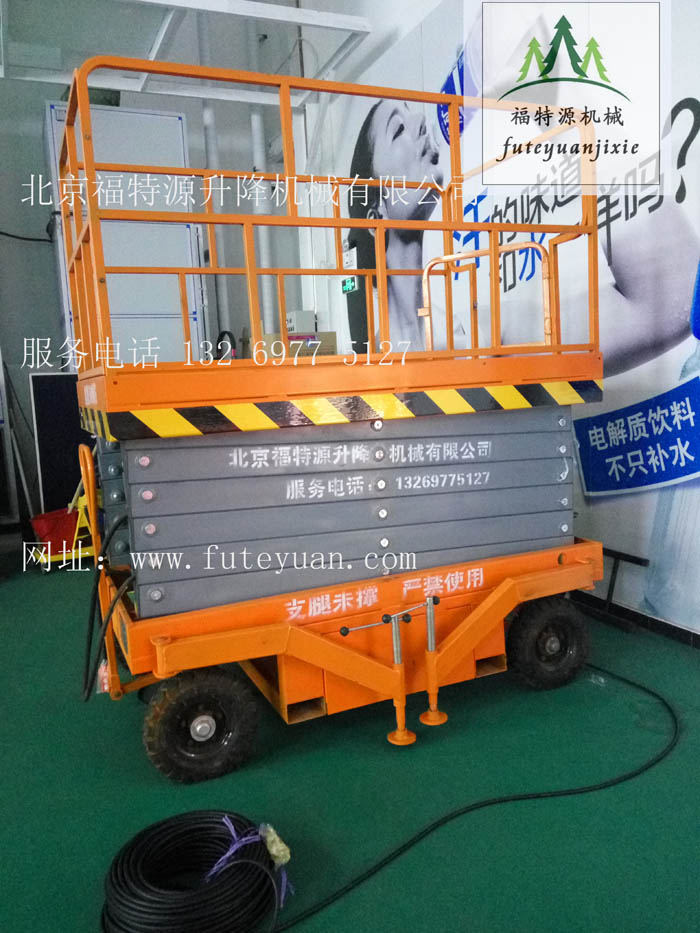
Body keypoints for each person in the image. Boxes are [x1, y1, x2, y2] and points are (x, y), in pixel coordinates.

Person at [347, 100, 444, 352]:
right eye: (398, 129)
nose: (422, 120)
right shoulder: (372, 357)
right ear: (376, 216)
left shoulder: (481, 331)